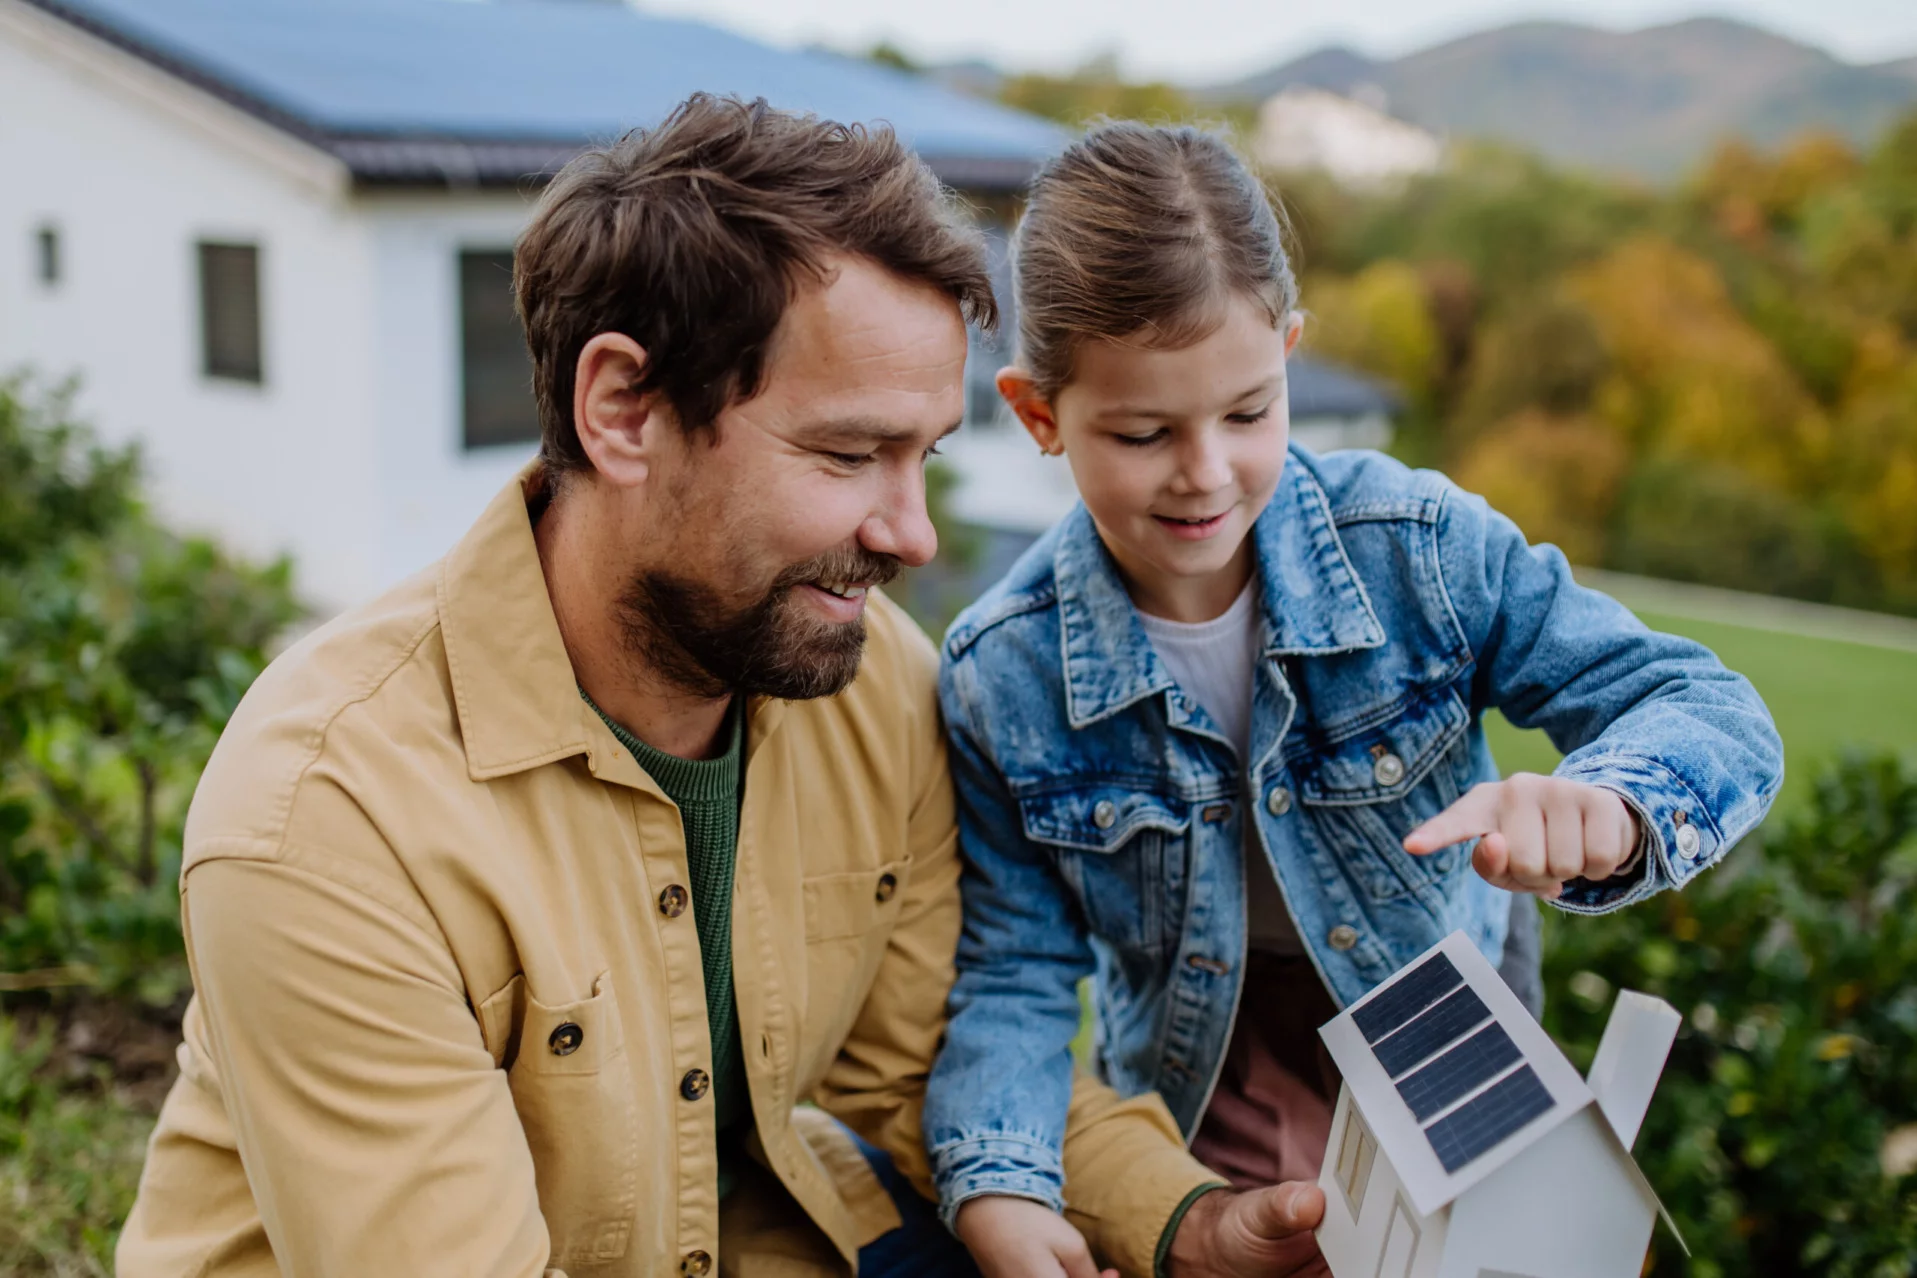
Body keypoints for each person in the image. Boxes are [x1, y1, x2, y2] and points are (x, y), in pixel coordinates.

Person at [116, 96, 1334, 1278]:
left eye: (923, 458)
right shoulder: (329, 817)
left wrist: (1183, 1225)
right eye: (849, 455)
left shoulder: (868, 683)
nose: (912, 535)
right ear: (624, 412)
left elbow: (924, 1059)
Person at [924, 121, 1784, 1278]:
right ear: (1038, 415)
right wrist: (1003, 1180)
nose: (1206, 471)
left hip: (1455, 1072)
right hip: (1198, 1101)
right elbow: (1015, 970)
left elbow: (1705, 707)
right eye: (1141, 433)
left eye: (1248, 412)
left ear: (1287, 351)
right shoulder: (1001, 673)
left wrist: (1614, 806)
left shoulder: (1420, 551)